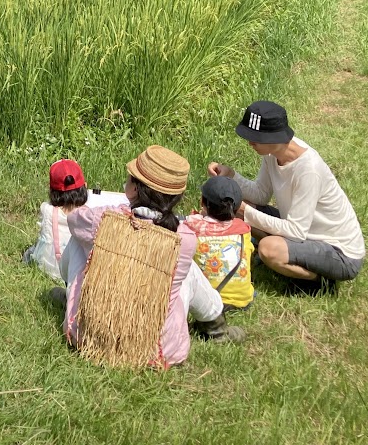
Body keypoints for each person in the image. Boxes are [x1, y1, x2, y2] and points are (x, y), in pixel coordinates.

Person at [63, 145, 243, 368]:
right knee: (186, 271)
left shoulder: (103, 220)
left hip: (93, 337)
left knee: (78, 242)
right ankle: (215, 324)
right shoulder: (183, 238)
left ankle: (72, 298)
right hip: (159, 350)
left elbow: (73, 219)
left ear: (135, 189)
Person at [208, 101, 365, 290]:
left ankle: (321, 282)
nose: (250, 143)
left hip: (340, 253)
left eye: (255, 138)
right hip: (303, 233)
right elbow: (260, 195)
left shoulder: (309, 170)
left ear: (274, 137)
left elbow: (296, 232)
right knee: (234, 204)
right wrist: (231, 176)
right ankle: (294, 259)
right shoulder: (272, 154)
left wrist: (248, 212)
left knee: (268, 249)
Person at [25, 158, 128, 282]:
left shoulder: (47, 210)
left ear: (51, 191)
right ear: (85, 187)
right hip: (75, 273)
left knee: (30, 252)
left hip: (47, 268)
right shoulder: (89, 216)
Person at [184, 176, 255, 310]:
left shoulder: (193, 227)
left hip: (206, 302)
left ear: (202, 202)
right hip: (243, 301)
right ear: (237, 207)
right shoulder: (244, 231)